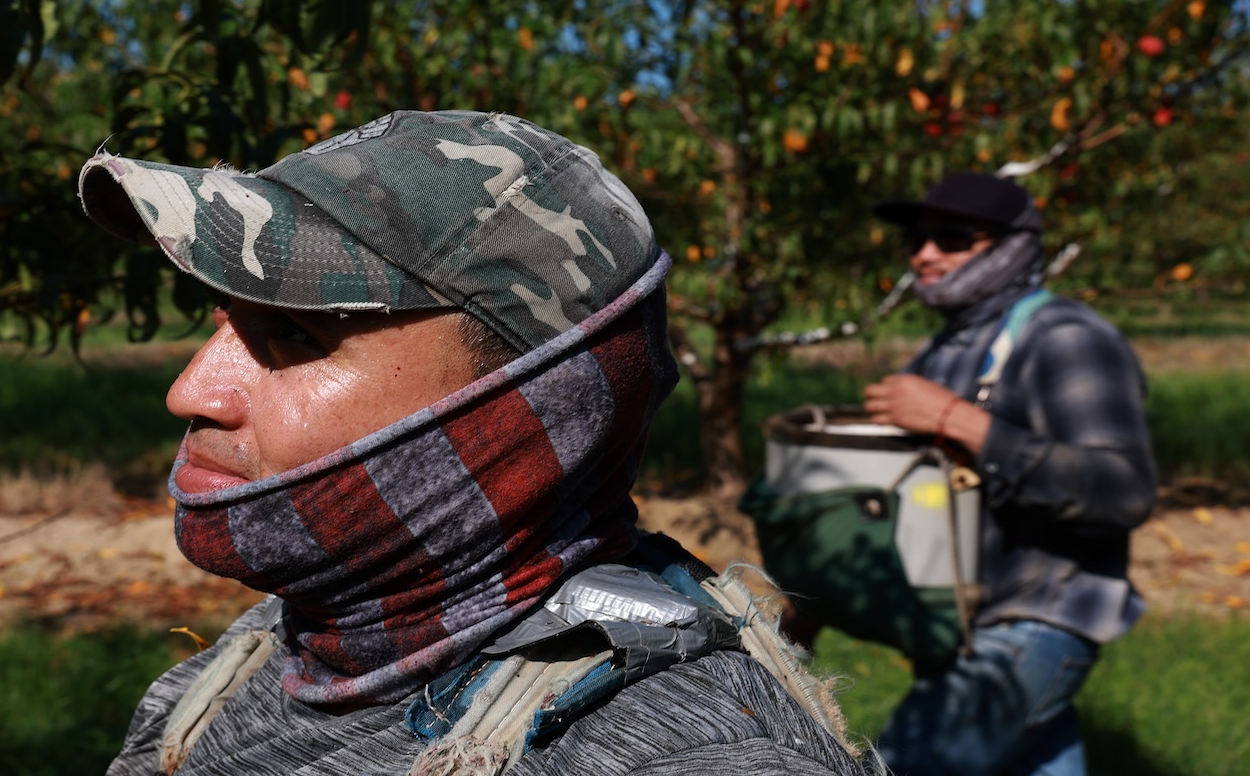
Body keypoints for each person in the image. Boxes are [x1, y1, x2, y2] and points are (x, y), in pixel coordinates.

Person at [77, 110, 862, 776]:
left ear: (527, 408)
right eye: (220, 318)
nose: (191, 391)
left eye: (290, 332)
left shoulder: (685, 755)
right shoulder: (258, 663)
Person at [855, 172, 1158, 775]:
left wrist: (961, 422)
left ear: (1014, 246)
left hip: (1033, 620)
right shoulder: (948, 347)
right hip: (963, 625)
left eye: (954, 237)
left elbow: (1123, 489)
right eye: (916, 238)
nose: (924, 253)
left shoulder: (1066, 339)